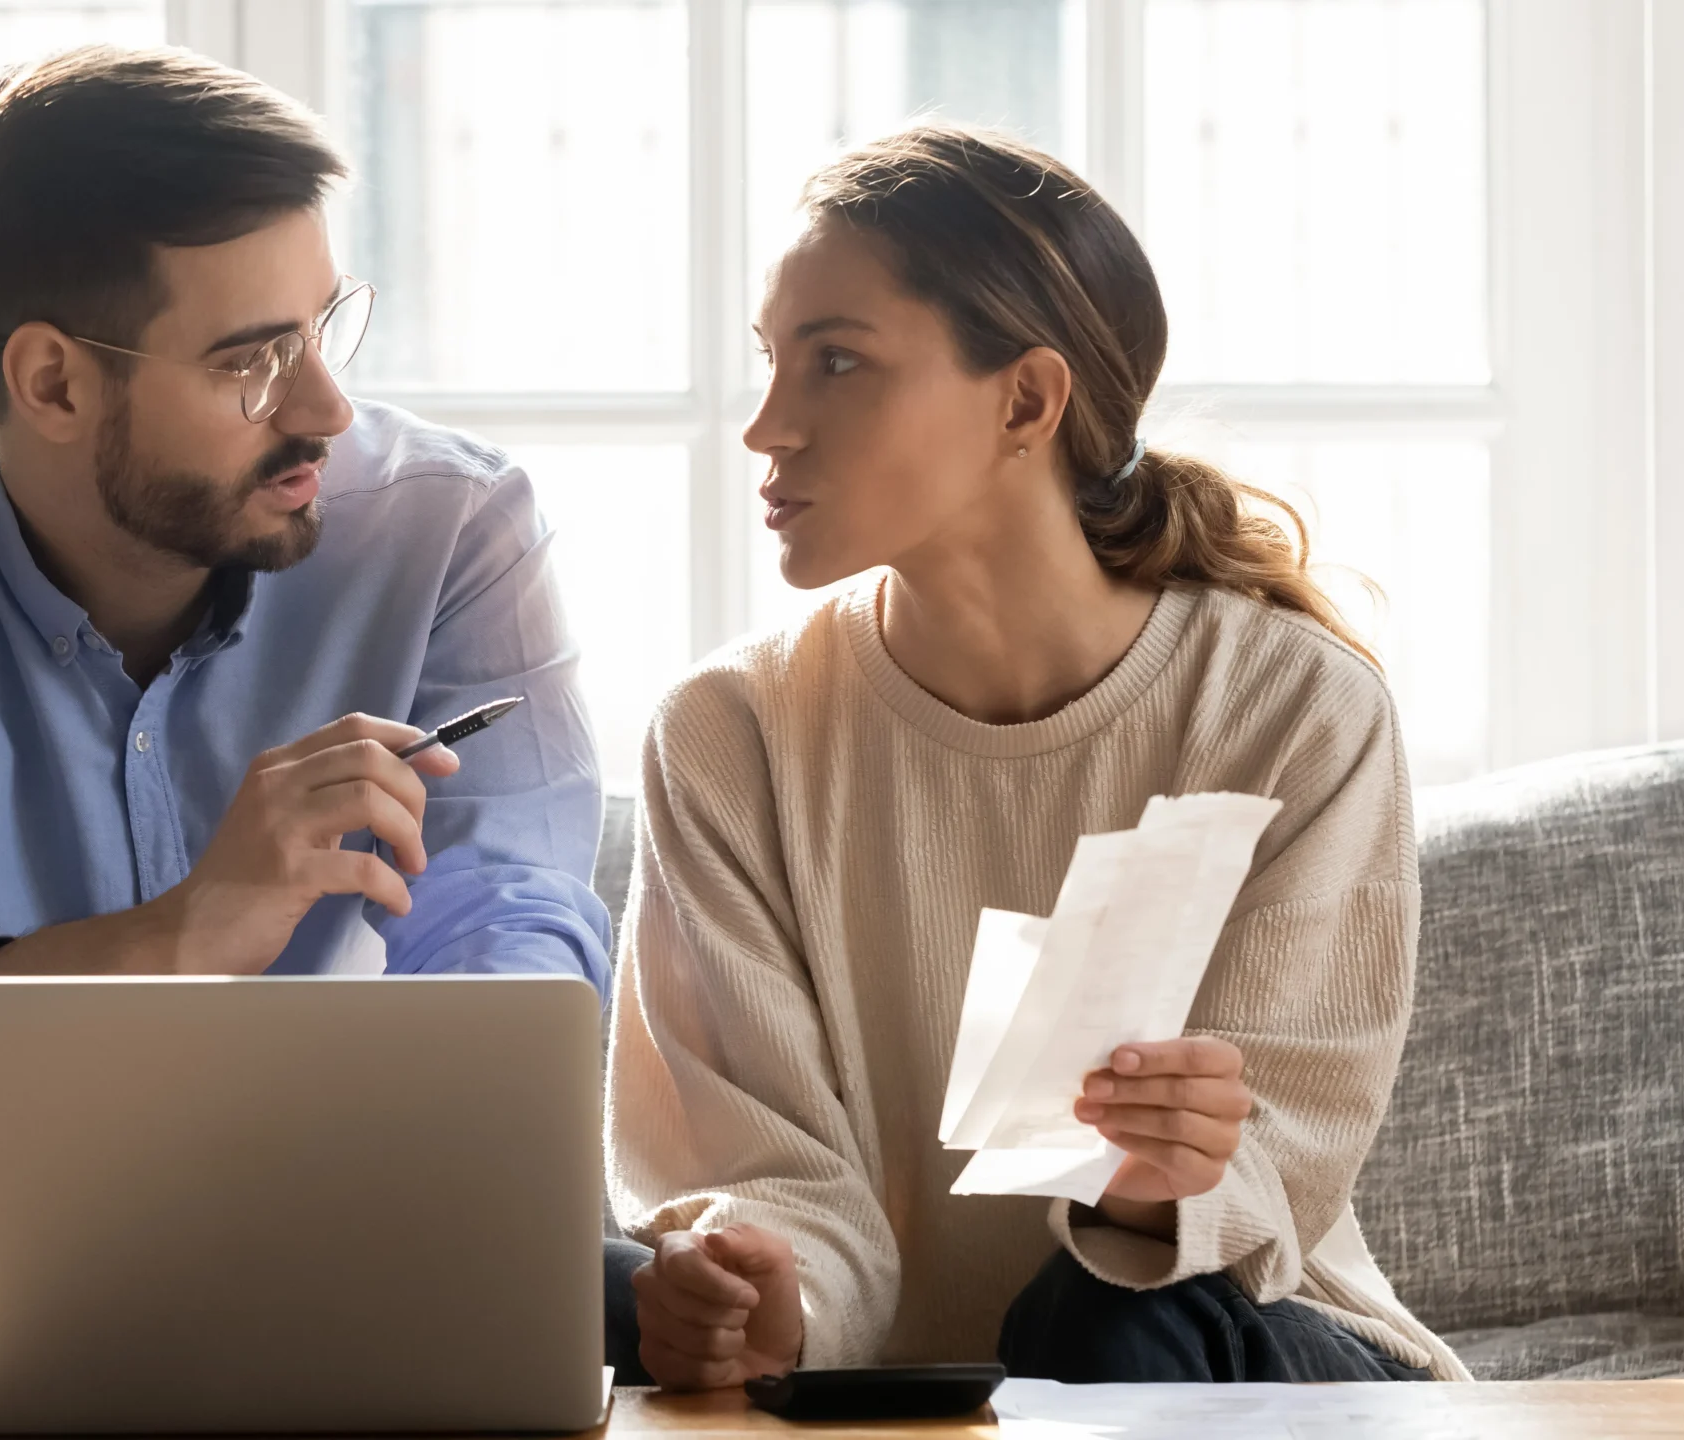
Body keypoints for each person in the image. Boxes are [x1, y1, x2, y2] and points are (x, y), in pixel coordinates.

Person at [0, 45, 625, 1384]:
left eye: (327, 326)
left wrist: (446, 1175)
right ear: (50, 383)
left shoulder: (448, 536)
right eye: (255, 363)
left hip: (297, 1209)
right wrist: (165, 946)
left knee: (568, 1257)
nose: (327, 406)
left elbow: (512, 951)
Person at [603, 124, 1471, 1387]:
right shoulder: (727, 734)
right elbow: (761, 1169)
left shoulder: (1292, 708)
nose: (765, 428)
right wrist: (756, 1293)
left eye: (835, 362)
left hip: (1238, 1344)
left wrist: (1163, 1187)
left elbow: (1282, 1148)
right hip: (904, 1389)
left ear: (1024, 400)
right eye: (771, 362)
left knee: (1103, 1324)